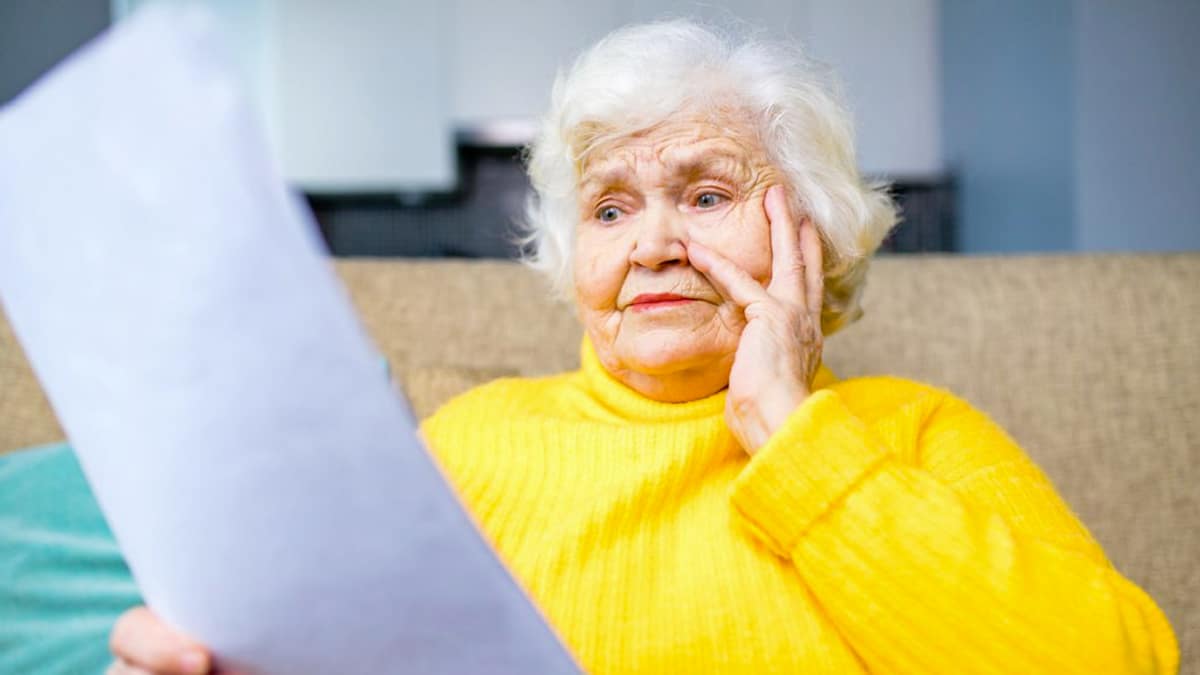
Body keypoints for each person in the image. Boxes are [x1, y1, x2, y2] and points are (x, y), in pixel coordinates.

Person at [107, 20, 1177, 674]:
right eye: (611, 210)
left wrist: (797, 440)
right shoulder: (467, 447)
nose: (655, 242)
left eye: (707, 194)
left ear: (811, 227)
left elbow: (1120, 667)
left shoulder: (914, 437)